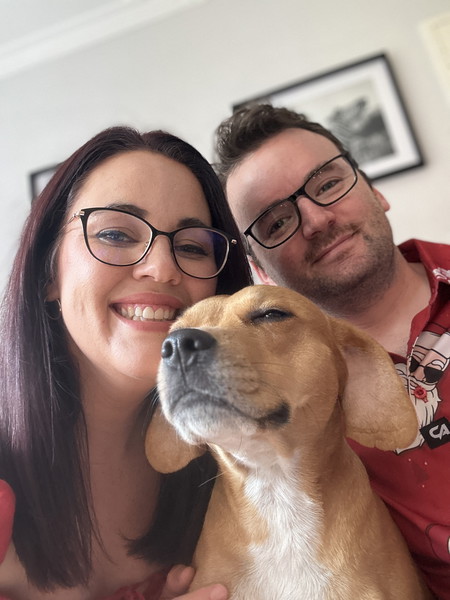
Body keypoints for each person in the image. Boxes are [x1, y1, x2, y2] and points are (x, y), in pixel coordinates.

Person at [0, 125, 253, 600]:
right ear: (48, 273)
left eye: (192, 246)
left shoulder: (234, 468)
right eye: (116, 233)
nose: (162, 268)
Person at [213, 103, 450, 599]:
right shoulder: (273, 403)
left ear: (374, 189)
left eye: (327, 185)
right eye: (276, 222)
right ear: (260, 270)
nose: (317, 220)